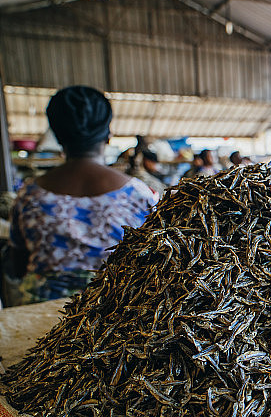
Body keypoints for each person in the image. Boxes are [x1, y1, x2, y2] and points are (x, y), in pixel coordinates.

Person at [5, 86, 157, 306]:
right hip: (117, 319)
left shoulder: (29, 196)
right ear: (108, 135)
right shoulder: (139, 195)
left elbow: (17, 266)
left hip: (40, 318)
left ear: (57, 136)